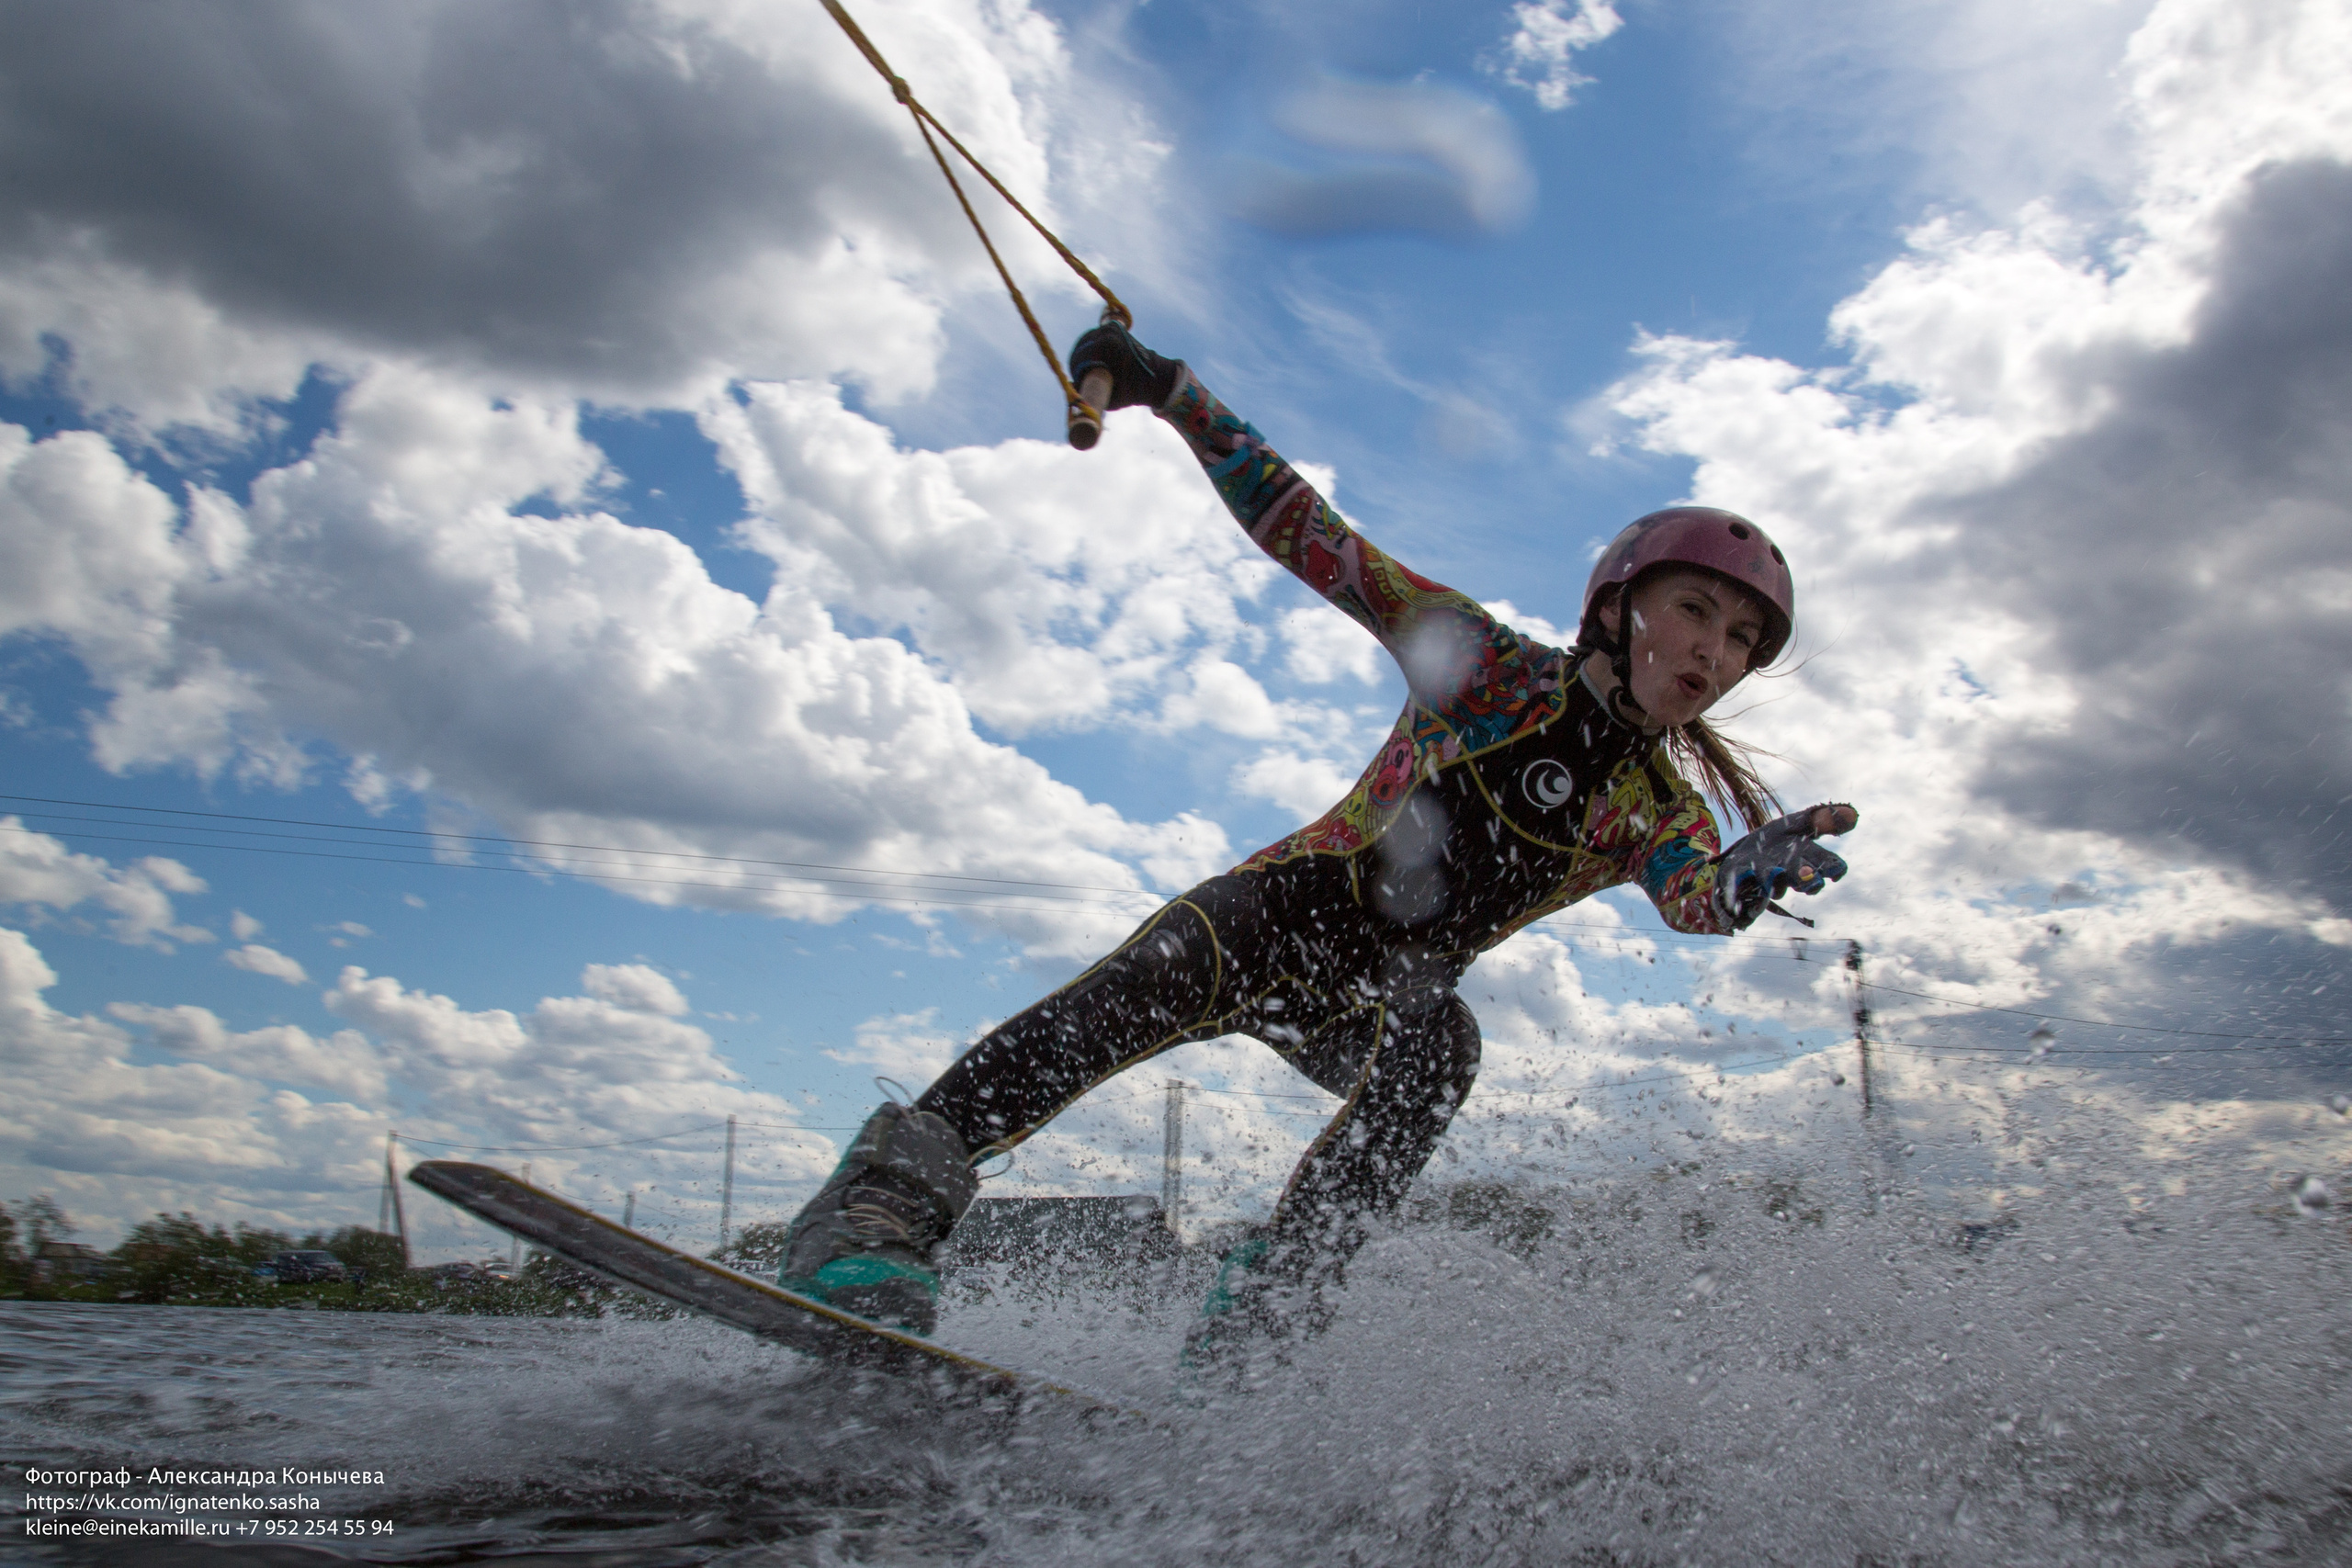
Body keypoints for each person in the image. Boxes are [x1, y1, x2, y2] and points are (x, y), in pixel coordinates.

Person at [777, 324, 1858, 1352]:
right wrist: (1174, 395)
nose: (1714, 653)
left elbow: (1692, 900)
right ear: (1616, 606)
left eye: (1740, 639)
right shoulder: (1487, 667)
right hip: (1269, 922)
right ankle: (878, 1209)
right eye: (1694, 611)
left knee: (1443, 1047)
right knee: (1116, 1002)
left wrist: (1738, 881)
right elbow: (1311, 536)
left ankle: (1274, 1299)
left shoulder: (1657, 810)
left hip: (1368, 1004)